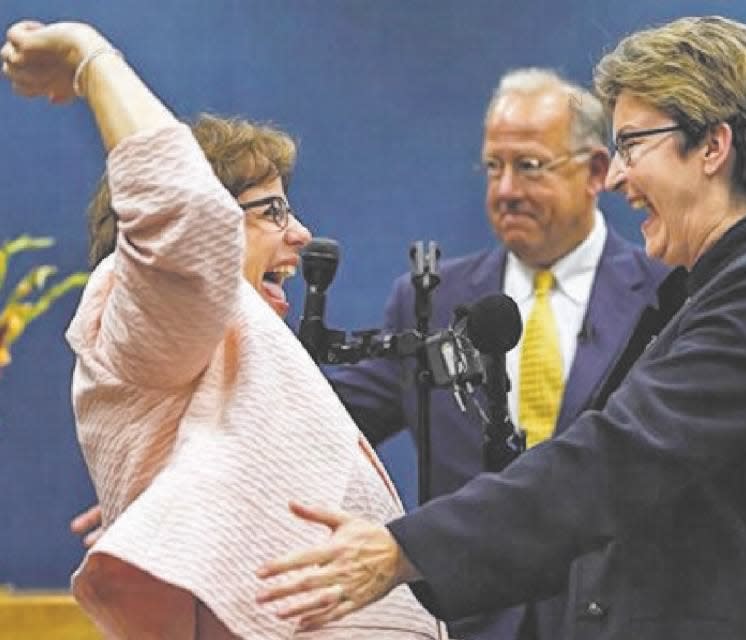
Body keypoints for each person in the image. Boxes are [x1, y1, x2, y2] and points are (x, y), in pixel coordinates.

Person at [255, 15, 746, 640]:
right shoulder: (707, 287)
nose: (623, 178)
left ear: (713, 146)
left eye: (633, 145)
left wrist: (403, 550)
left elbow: (617, 457)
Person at [1, 19, 445, 639]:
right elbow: (185, 216)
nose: (301, 235)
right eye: (272, 212)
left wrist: (186, 501)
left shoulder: (220, 361)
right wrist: (88, 56)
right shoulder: (143, 315)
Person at [325, 68, 667, 639]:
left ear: (596, 172)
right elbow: (329, 425)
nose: (505, 190)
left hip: (616, 620)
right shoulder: (429, 305)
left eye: (529, 166)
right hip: (470, 623)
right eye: (493, 167)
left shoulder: (664, 296)